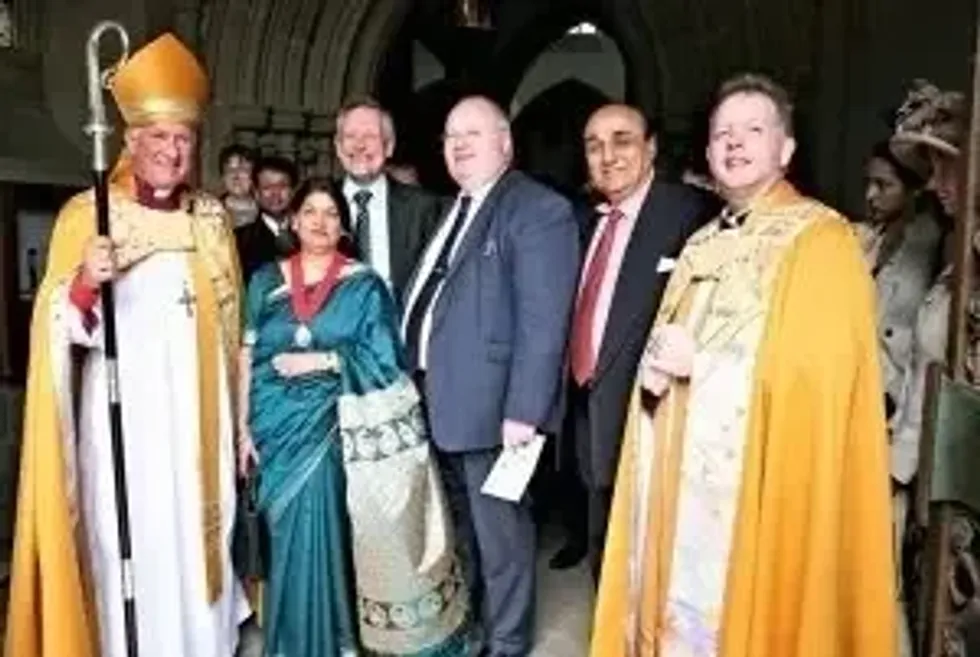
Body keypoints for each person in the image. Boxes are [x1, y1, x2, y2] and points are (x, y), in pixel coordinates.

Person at [591, 73, 896, 657]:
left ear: (784, 150)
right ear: (707, 153)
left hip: (762, 485)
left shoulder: (822, 241)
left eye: (753, 130)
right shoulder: (702, 243)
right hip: (680, 485)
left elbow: (820, 384)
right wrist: (652, 384)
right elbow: (669, 353)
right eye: (722, 133)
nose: (734, 143)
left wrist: (701, 367)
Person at [5, 33, 249, 657]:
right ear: (131, 141)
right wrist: (86, 281)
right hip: (123, 436)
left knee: (200, 549)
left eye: (183, 138)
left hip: (201, 429)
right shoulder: (88, 217)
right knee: (127, 549)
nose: (172, 150)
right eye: (160, 137)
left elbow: (233, 334)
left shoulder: (212, 221)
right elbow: (56, 331)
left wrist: (241, 426)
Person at [237, 178, 468, 657]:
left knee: (326, 526)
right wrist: (241, 427)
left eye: (331, 214)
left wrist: (325, 362)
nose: (320, 222)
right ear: (294, 220)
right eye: (311, 212)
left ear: (343, 227)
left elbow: (385, 359)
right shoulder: (264, 280)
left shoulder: (364, 284)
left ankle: (338, 640)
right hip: (273, 424)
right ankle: (292, 640)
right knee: (283, 531)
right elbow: (245, 355)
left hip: (334, 420)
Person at [402, 96, 579, 657]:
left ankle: (507, 641)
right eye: (451, 137)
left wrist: (525, 410)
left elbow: (543, 318)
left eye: (473, 134)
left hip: (495, 409)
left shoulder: (534, 208)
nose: (459, 146)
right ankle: (475, 627)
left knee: (500, 535)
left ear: (505, 142)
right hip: (442, 401)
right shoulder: (457, 207)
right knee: (464, 532)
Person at [550, 104, 716, 578]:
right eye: (594, 145)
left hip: (651, 406)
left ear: (651, 147)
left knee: (648, 550)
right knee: (601, 526)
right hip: (586, 397)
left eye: (622, 140)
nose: (608, 155)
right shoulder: (584, 221)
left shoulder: (690, 211)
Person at [889, 79, 977, 657]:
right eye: (931, 170)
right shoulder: (951, 250)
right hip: (922, 472)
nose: (938, 185)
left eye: (950, 168)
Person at [857, 140, 944, 420]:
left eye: (884, 185)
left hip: (899, 398)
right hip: (859, 383)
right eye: (868, 183)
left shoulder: (934, 245)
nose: (871, 194)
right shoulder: (866, 240)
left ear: (914, 190)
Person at [334, 97, 445, 303]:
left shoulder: (424, 209)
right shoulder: (317, 204)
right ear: (338, 147)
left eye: (370, 136)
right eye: (350, 136)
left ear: (389, 146)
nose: (359, 145)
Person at [235, 155, 298, 283]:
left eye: (282, 186)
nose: (275, 193)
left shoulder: (308, 234)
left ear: (293, 190)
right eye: (267, 187)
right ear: (256, 193)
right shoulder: (240, 240)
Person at [218, 143, 259, 228]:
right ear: (223, 177)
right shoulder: (213, 211)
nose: (236, 175)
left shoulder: (266, 212)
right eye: (230, 169)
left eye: (243, 169)